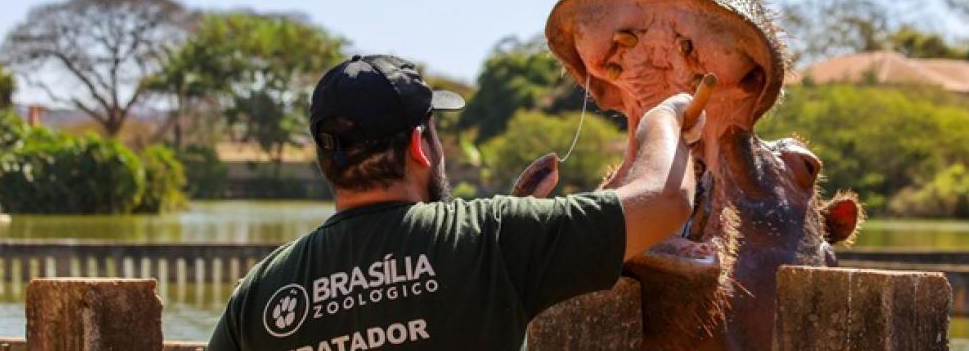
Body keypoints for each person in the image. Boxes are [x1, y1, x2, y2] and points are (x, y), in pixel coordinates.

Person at [207, 54, 702, 351]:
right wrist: (665, 115)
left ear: (327, 160)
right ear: (421, 146)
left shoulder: (259, 292)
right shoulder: (492, 238)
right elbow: (664, 199)